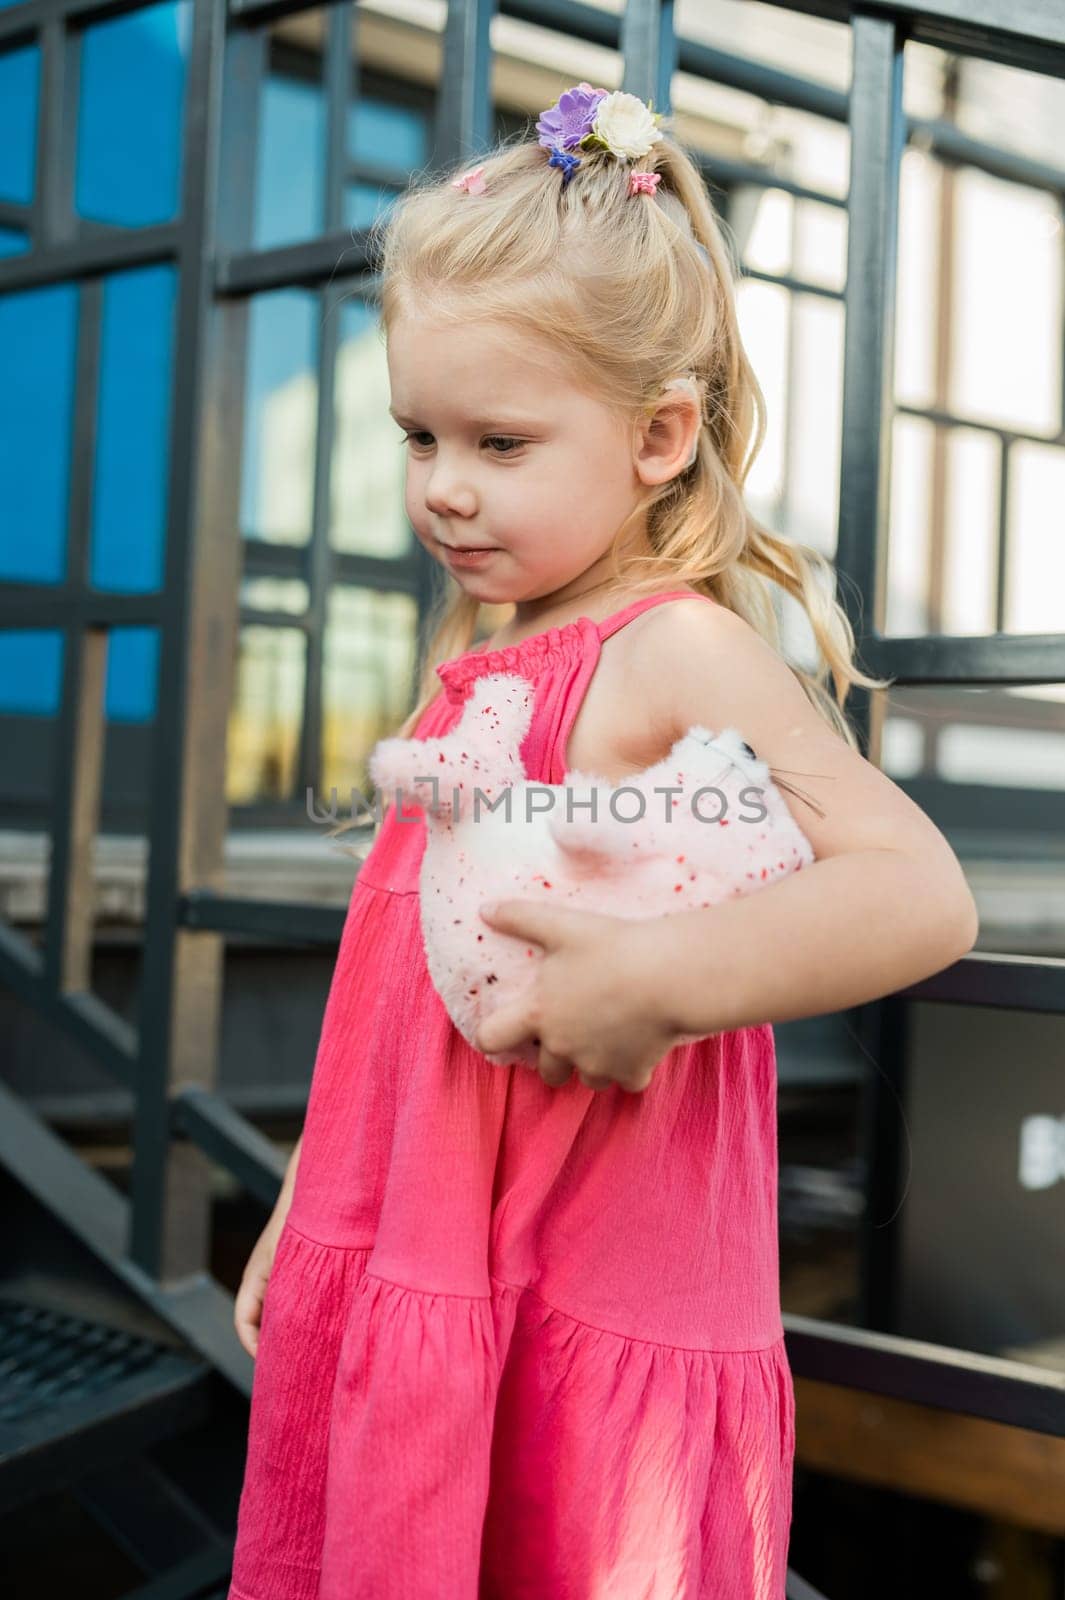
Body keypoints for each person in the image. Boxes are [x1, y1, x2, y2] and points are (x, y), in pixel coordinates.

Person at [227, 84, 978, 1600]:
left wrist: (658, 980)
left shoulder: (671, 651)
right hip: (417, 1237)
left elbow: (917, 893)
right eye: (419, 433)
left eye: (498, 440)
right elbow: (398, 1000)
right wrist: (312, 1197)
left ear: (656, 435)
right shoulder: (480, 667)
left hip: (583, 1255)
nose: (442, 484)